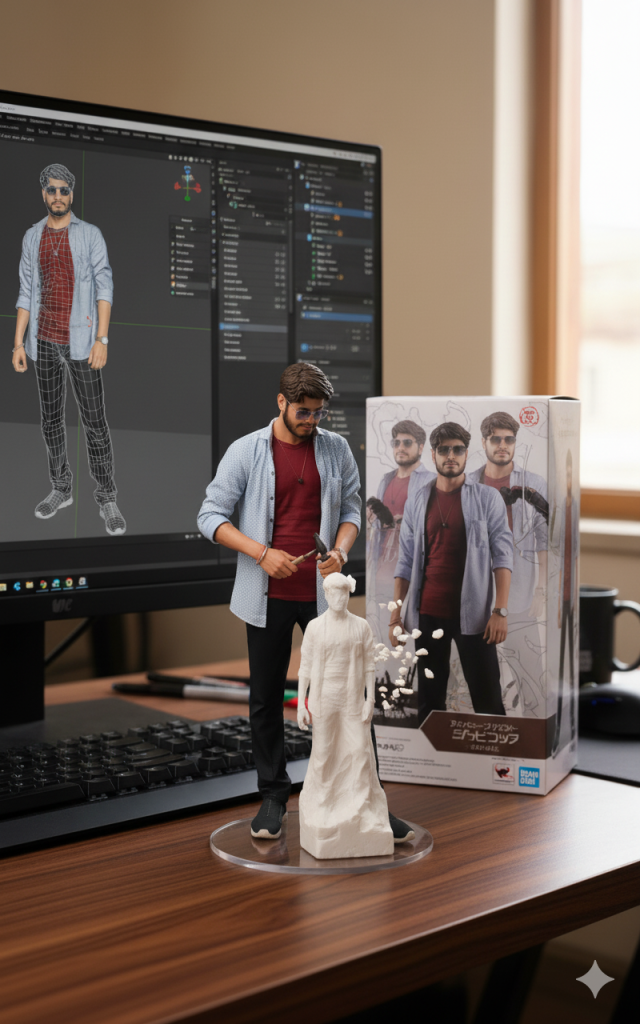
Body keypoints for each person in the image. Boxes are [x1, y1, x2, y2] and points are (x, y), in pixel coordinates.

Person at [197, 362, 413, 842]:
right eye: (303, 412)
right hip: (266, 596)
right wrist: (262, 553)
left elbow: (353, 508)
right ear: (281, 402)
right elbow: (209, 516)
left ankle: (369, 799)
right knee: (266, 699)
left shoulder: (335, 449)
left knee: (352, 698)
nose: (311, 421)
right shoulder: (246, 451)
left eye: (318, 413)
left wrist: (340, 550)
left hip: (324, 597)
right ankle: (273, 796)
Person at [12, 163, 125, 536]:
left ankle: (107, 497)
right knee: (50, 420)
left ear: (71, 194)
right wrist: (18, 343)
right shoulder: (32, 236)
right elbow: (25, 290)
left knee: (94, 422)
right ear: (43, 193)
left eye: (64, 190)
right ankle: (61, 488)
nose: (58, 196)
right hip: (43, 340)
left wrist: (101, 339)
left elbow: (105, 285)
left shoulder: (90, 234)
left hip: (81, 342)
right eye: (52, 190)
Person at [389, 421, 513, 721]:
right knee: (429, 705)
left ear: (467, 453)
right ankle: (434, 753)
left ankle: (491, 753)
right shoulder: (418, 500)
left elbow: (503, 557)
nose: (451, 456)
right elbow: (405, 560)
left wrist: (500, 611)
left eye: (458, 449)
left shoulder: (487, 498)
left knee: (488, 701)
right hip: (427, 614)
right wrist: (395, 615)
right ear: (433, 454)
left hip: (475, 616)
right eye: (444, 450)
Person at [297, 573, 397, 859]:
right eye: (334, 593)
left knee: (359, 751)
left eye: (344, 593)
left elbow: (369, 666)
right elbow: (305, 666)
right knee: (324, 753)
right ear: (326, 595)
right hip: (324, 699)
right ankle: (323, 807)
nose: (339, 598)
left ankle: (360, 810)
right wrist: (302, 704)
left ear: (348, 595)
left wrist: (370, 700)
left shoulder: (360, 627)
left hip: (353, 699)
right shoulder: (315, 627)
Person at [467, 412, 548, 710]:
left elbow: (543, 539)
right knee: (479, 681)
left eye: (509, 439)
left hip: (519, 594)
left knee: (531, 676)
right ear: (484, 442)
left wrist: (541, 589)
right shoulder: (468, 483)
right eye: (496, 439)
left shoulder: (532, 484)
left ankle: (535, 731)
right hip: (475, 595)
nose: (503, 445)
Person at [368, 420, 435, 637]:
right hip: (382, 576)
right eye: (396, 443)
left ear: (421, 447)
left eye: (407, 443)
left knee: (416, 645)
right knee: (385, 643)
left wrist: (406, 520)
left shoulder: (431, 481)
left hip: (414, 579)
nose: (400, 448)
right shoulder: (386, 479)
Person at [552, 449, 578, 756]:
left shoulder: (575, 507)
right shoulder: (556, 509)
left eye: (570, 474)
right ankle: (557, 733)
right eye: (564, 474)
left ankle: (570, 728)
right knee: (559, 669)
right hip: (559, 597)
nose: (567, 479)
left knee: (570, 670)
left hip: (572, 598)